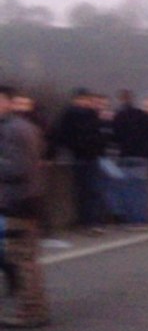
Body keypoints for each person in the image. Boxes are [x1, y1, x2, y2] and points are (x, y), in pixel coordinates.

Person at [0, 86, 49, 328]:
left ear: (7, 102)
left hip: (19, 200)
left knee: (21, 257)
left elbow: (18, 168)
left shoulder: (12, 131)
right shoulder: (24, 127)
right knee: (24, 256)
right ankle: (33, 307)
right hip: (28, 198)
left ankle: (32, 310)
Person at [48, 87, 108, 233]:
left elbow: (58, 136)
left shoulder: (70, 114)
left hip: (81, 156)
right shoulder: (86, 115)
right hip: (88, 157)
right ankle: (91, 222)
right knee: (90, 191)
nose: (87, 102)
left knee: (85, 192)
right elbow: (98, 136)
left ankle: (88, 222)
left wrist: (52, 154)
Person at [108, 88, 148, 227]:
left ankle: (129, 218)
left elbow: (114, 137)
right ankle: (140, 219)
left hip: (125, 155)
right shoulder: (143, 115)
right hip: (143, 156)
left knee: (127, 189)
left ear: (120, 100)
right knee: (140, 190)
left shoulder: (118, 116)